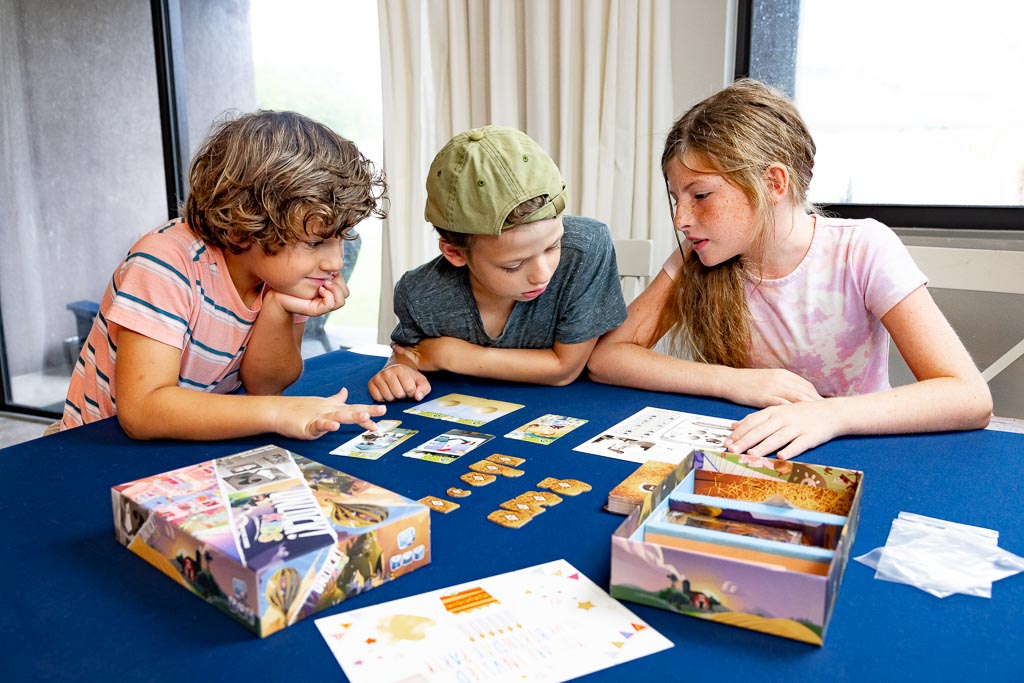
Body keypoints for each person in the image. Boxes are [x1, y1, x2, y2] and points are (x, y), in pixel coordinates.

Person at [588, 79, 992, 460]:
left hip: (855, 448)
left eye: (701, 195)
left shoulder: (862, 248)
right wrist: (734, 382)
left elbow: (969, 397)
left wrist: (832, 416)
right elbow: (608, 357)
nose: (681, 220)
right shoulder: (697, 257)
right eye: (677, 198)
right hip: (750, 447)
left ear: (774, 183)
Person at [59, 110, 388, 440]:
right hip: (97, 447)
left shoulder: (281, 277)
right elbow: (143, 410)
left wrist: (278, 308)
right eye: (315, 241)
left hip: (190, 443)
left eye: (340, 238)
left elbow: (265, 388)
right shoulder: (165, 262)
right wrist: (282, 412)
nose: (334, 262)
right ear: (243, 229)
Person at [368, 125, 627, 402]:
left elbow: (564, 369)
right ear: (455, 253)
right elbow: (408, 356)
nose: (542, 275)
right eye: (513, 265)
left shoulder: (586, 248)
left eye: (553, 246)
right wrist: (397, 370)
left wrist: (452, 355)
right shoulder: (419, 294)